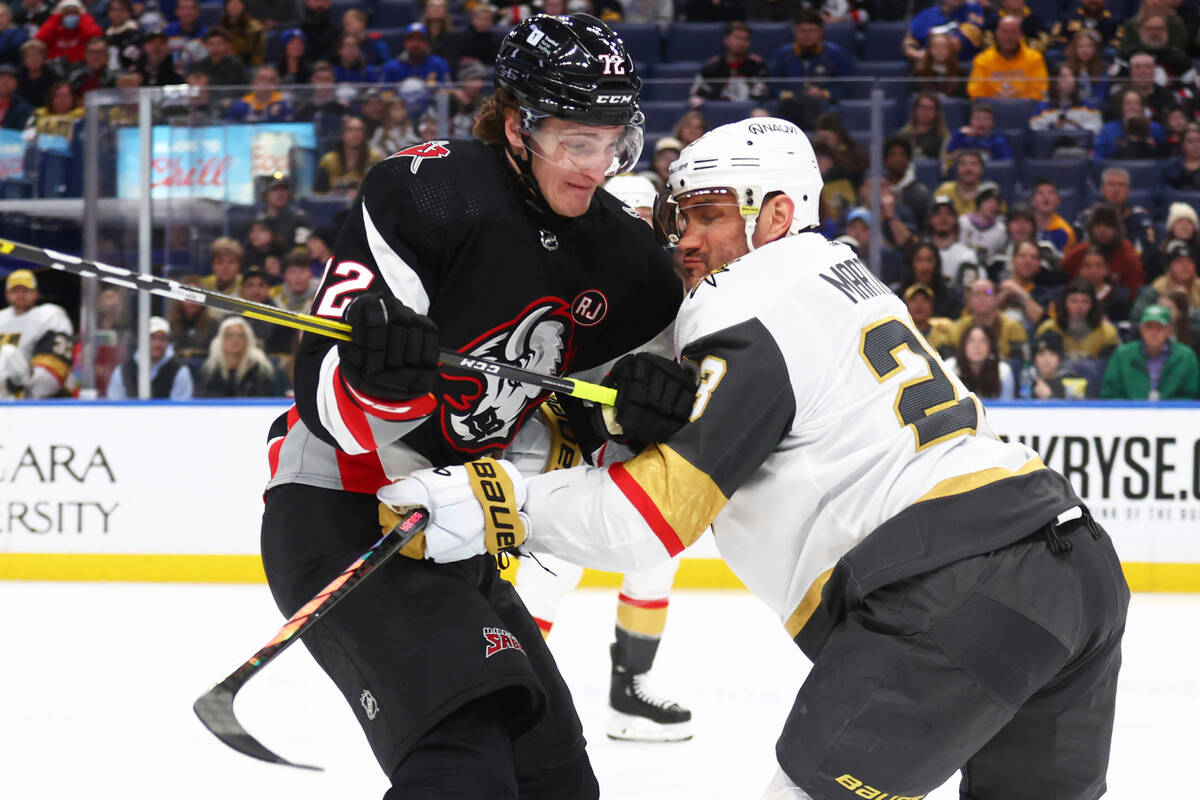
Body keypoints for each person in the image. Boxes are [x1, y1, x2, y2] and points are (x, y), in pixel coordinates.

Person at [386, 116, 1130, 800]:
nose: (686, 239)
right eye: (682, 218)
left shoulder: (743, 298)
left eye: (710, 216)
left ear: (776, 214)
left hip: (952, 589)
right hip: (1076, 566)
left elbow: (651, 520)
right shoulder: (849, 278)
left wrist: (498, 501)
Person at [258, 15, 686, 797]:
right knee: (463, 758)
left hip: (454, 532)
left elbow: (583, 436)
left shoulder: (630, 264)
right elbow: (327, 403)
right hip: (345, 510)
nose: (596, 168)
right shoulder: (430, 192)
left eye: (612, 144)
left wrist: (632, 420)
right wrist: (379, 381)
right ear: (520, 126)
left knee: (554, 778)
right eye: (575, 143)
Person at [513, 171, 693, 744]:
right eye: (626, 216)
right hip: (574, 454)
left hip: (647, 456)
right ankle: (511, 699)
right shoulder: (569, 275)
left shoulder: (678, 290)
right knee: (550, 575)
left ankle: (629, 693)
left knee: (657, 560)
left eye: (646, 220)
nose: (636, 231)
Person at [0, 268, 73, 399]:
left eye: (26, 290)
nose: (20, 295)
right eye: (15, 290)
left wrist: (26, 391)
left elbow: (51, 373)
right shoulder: (1, 318)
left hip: (36, 397)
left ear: (36, 293)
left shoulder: (49, 316)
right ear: (7, 295)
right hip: (3, 393)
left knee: (9, 351)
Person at [1101, 303, 1200, 399]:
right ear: (1141, 329)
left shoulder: (1186, 356)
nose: (1153, 333)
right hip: (1130, 413)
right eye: (1149, 327)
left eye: (1159, 328)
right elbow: (1110, 393)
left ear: (1170, 330)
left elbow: (1191, 395)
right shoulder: (1122, 355)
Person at [107, 315, 194, 400]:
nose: (157, 343)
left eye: (163, 338)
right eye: (152, 337)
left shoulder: (180, 371)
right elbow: (115, 407)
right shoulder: (122, 372)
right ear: (140, 340)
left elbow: (180, 409)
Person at [1034, 276, 1120, 360]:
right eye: (1074, 301)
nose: (1079, 307)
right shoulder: (1048, 328)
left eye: (1085, 301)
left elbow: (1108, 368)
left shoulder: (1107, 333)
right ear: (1064, 303)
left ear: (1093, 305)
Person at [689, 20, 769, 107]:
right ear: (726, 40)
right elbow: (697, 94)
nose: (740, 43)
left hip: (748, 112)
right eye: (737, 38)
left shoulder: (757, 65)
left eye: (745, 39)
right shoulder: (712, 66)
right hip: (717, 112)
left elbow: (762, 93)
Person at [967, 15, 1048, 100]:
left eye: (1013, 32)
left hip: (1026, 109)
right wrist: (996, 99)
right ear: (997, 33)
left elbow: (1040, 90)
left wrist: (1016, 99)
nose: (1009, 37)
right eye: (1004, 32)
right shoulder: (982, 60)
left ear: (1021, 34)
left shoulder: (1034, 58)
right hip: (991, 108)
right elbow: (975, 92)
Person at [196, 315, 276, 397]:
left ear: (248, 340)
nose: (235, 340)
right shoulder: (210, 369)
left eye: (241, 335)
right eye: (229, 335)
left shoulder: (260, 368)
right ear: (221, 340)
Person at [941, 101, 1013, 172]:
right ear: (971, 121)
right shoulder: (960, 136)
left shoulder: (998, 141)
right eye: (977, 118)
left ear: (992, 122)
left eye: (986, 119)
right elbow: (948, 158)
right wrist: (959, 135)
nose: (981, 122)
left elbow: (1005, 167)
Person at [34, 0, 101, 65]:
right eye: (67, 13)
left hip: (80, 68)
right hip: (56, 69)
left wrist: (84, 15)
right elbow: (40, 38)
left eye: (74, 13)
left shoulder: (83, 31)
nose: (71, 16)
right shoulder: (54, 31)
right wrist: (55, 17)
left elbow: (94, 36)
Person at [911, 30, 965, 98]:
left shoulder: (959, 73)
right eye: (936, 47)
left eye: (944, 46)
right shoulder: (920, 72)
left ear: (950, 49)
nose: (940, 50)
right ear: (930, 50)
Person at [896, 91, 948, 160]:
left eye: (930, 108)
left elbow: (946, 163)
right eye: (922, 107)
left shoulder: (943, 137)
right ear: (915, 110)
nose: (926, 111)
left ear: (937, 112)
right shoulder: (903, 136)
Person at [0, 63, 33, 130]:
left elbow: (19, 135)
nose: (4, 82)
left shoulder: (24, 109)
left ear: (16, 84)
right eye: (1, 77)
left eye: (9, 78)